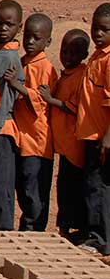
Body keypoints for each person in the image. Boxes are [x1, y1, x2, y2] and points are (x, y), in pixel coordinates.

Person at [6, 14, 57, 232]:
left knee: (34, 187)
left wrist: (17, 86)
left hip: (37, 140)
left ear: (48, 42)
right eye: (27, 36)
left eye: (36, 38)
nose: (30, 42)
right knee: (23, 184)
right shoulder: (22, 62)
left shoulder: (45, 67)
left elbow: (41, 100)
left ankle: (34, 228)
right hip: (22, 137)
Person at [43, 29, 91, 239]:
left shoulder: (81, 76)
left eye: (74, 53)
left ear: (84, 55)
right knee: (63, 187)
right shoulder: (66, 75)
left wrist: (50, 99)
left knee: (74, 188)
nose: (68, 57)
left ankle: (78, 228)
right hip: (64, 145)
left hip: (74, 145)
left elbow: (75, 107)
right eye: (65, 51)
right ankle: (64, 227)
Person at [0, 0, 26, 231]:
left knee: (0, 183)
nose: (2, 29)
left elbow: (6, 99)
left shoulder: (9, 59)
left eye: (8, 24)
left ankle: (4, 229)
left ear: (18, 27)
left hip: (1, 129)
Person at [75, 3, 110, 257]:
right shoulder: (97, 57)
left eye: (105, 30)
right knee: (91, 185)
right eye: (95, 28)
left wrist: (108, 137)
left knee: (100, 187)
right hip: (91, 134)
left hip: (102, 137)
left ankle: (101, 239)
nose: (98, 34)